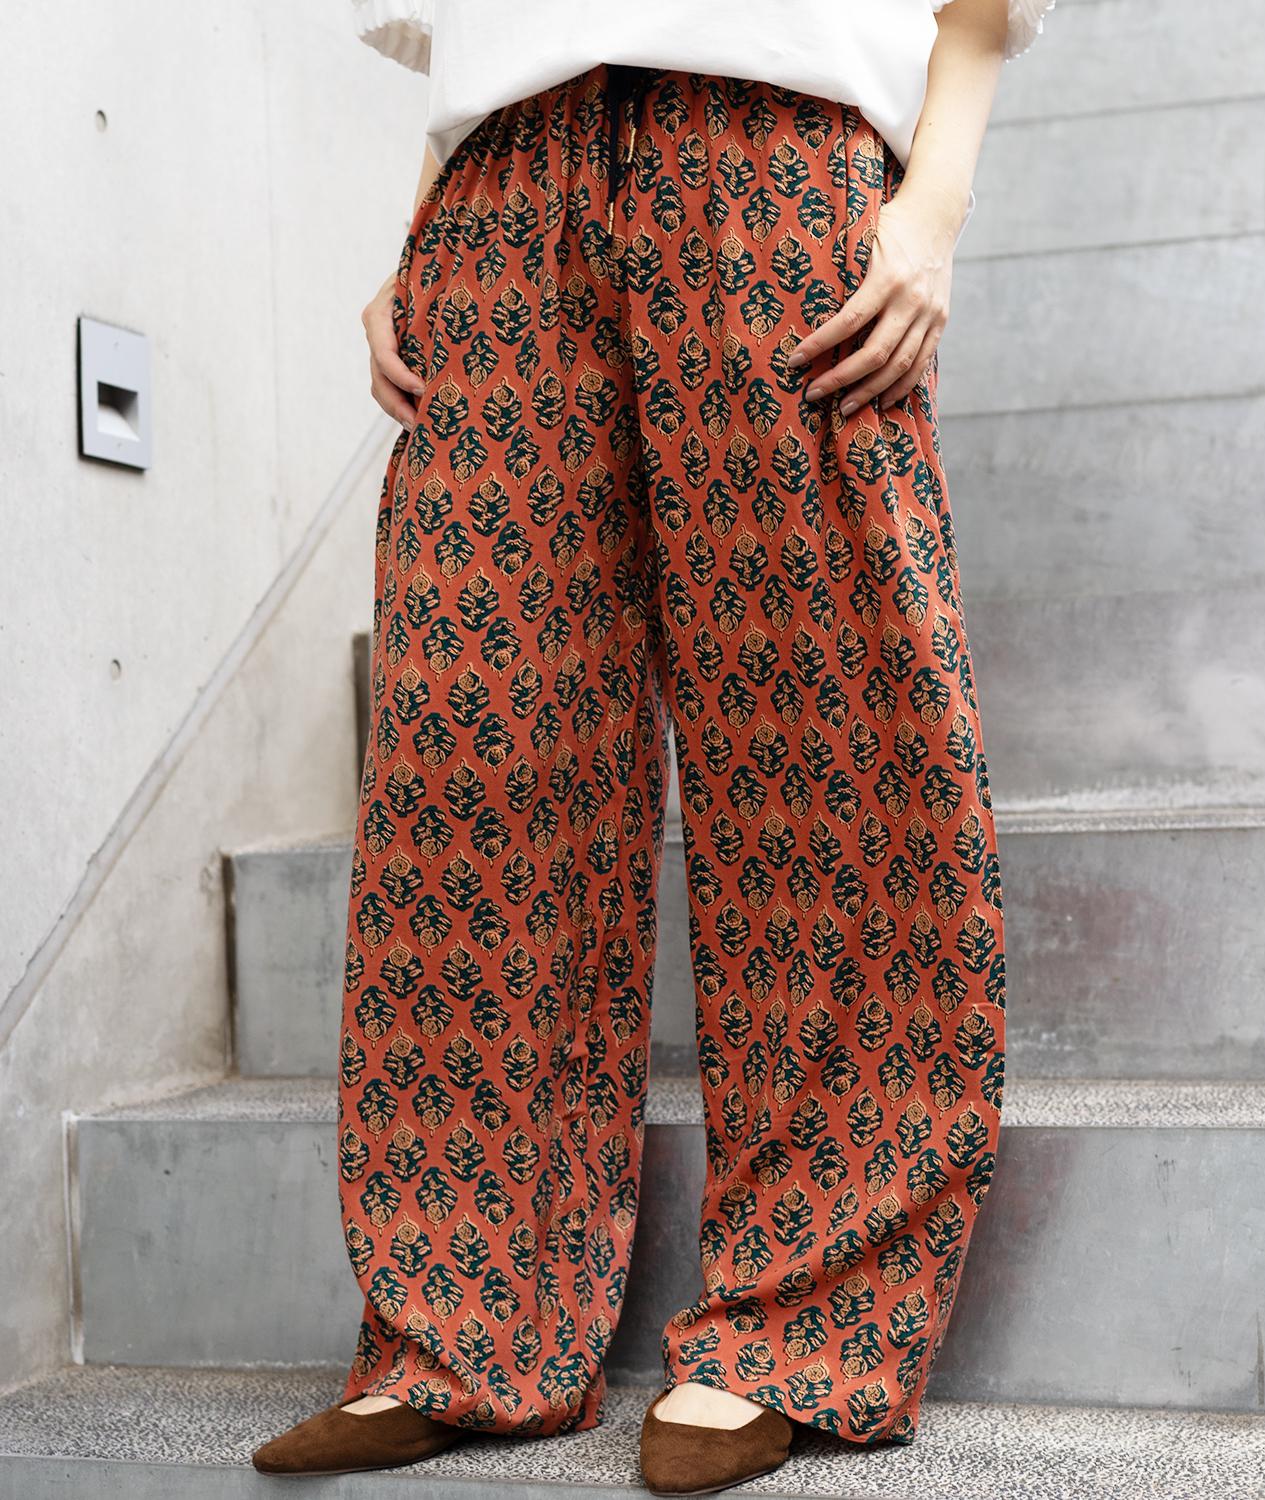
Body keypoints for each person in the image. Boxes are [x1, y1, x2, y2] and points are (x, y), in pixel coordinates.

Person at [252, 1, 1051, 1491]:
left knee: (823, 752)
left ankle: (801, 1320)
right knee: (472, 763)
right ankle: (466, 1323)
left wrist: (930, 211)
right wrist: (421, 230)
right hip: (501, 194)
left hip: (774, 150)